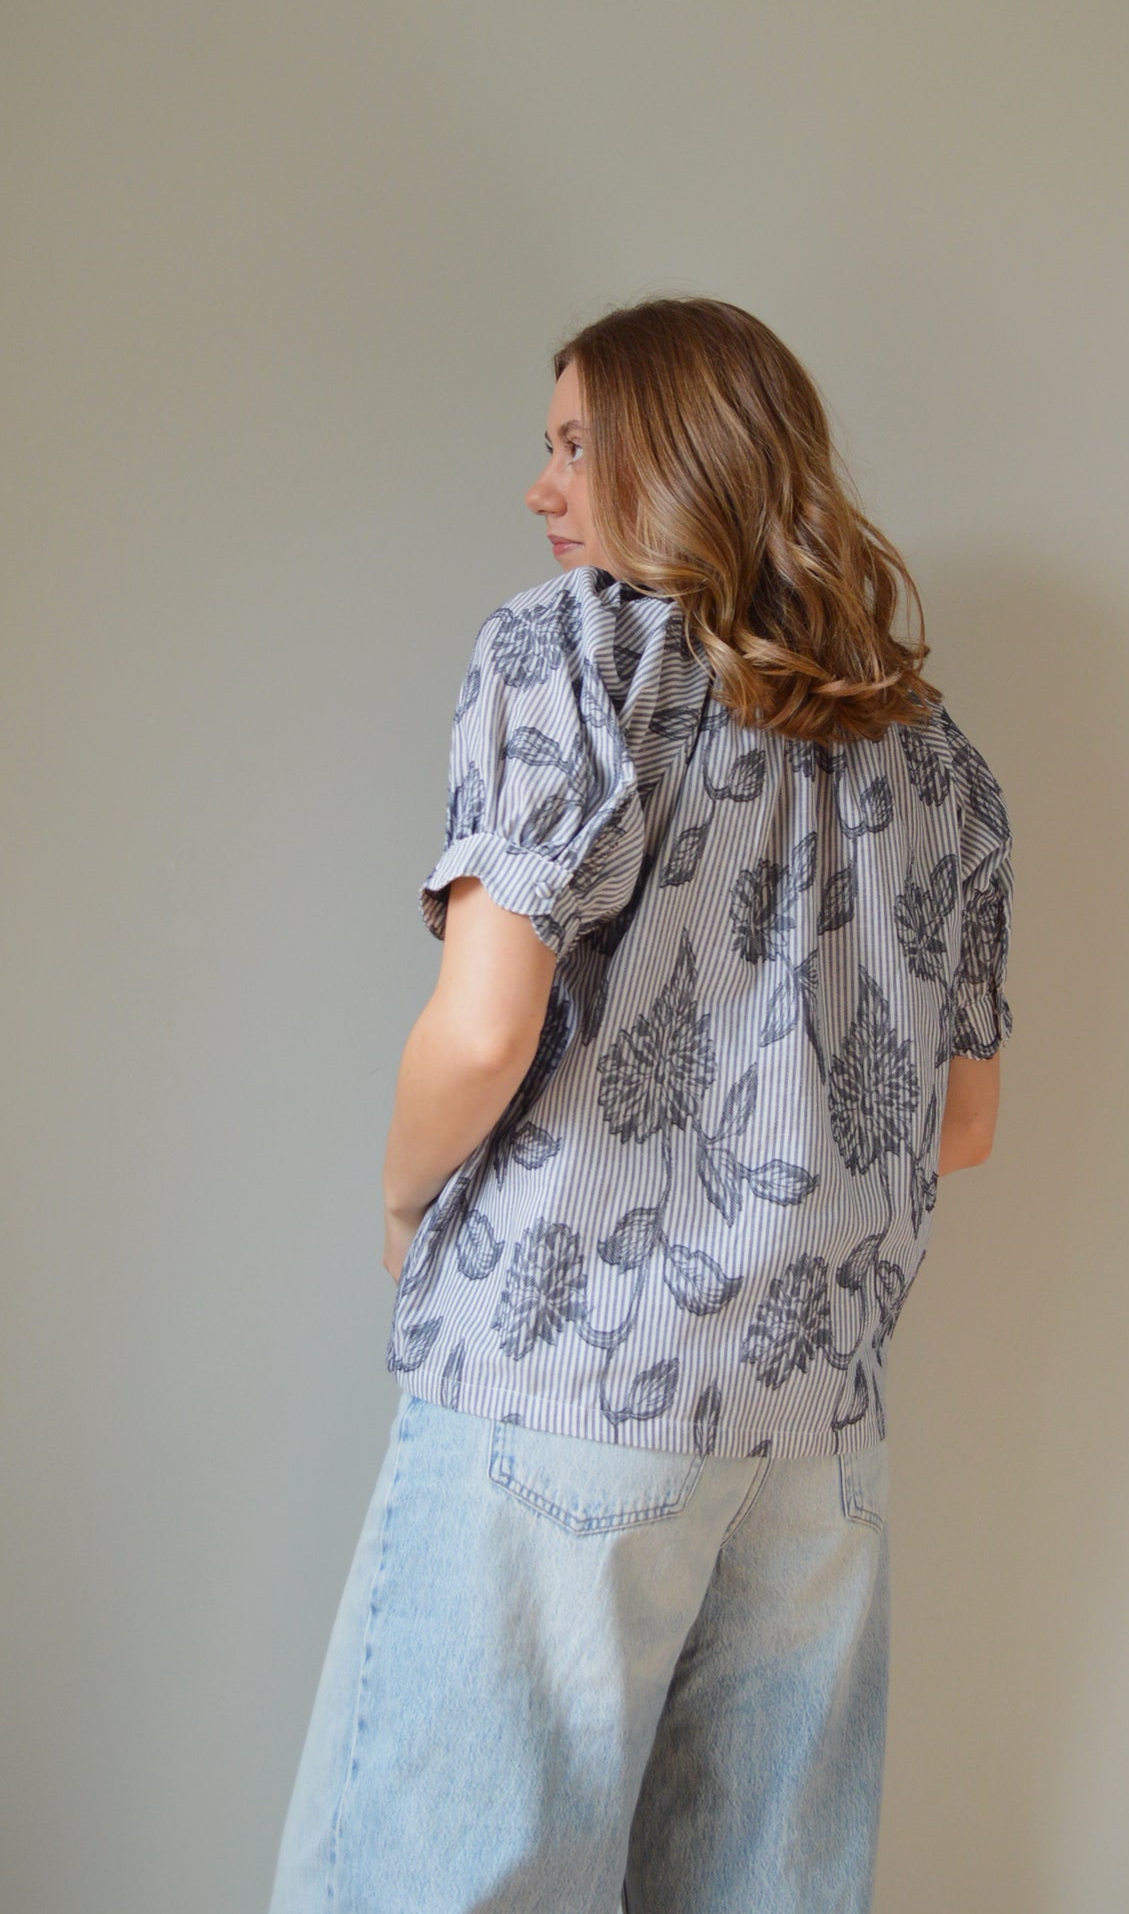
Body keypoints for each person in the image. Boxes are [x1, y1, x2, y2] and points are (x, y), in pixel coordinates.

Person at [267, 296, 1014, 1914]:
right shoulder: (935, 754)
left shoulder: (573, 651)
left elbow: (481, 1031)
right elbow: (959, 1122)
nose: (542, 488)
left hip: (565, 1386)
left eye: (574, 443)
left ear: (685, 451)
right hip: (812, 1436)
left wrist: (404, 1199)